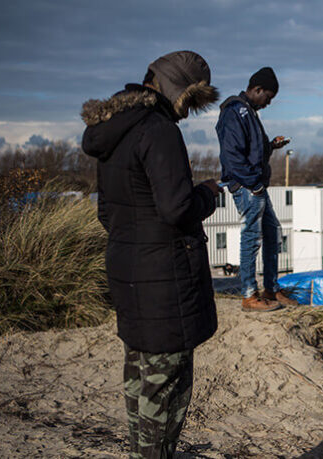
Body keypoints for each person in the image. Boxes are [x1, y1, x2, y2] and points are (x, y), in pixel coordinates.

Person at [81, 50, 220, 458]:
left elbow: (106, 212)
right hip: (166, 279)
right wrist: (208, 195)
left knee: (140, 377)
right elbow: (177, 207)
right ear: (176, 89)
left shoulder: (114, 129)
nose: (187, 114)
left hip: (127, 268)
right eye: (189, 102)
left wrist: (137, 243)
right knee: (167, 387)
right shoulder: (158, 130)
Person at [216, 67, 290, 312]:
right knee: (252, 236)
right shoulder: (235, 111)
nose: (268, 103)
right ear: (257, 89)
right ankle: (249, 294)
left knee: (272, 230)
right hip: (248, 186)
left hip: (254, 185)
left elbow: (253, 152)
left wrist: (271, 146)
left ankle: (271, 288)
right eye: (267, 97)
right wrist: (253, 184)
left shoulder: (248, 112)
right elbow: (232, 156)